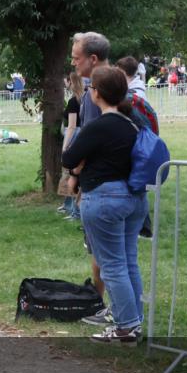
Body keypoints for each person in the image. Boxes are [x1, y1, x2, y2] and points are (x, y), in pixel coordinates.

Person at [62, 66, 146, 345]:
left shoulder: (98, 125)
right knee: (128, 261)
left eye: (91, 88)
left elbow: (69, 157)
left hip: (105, 198)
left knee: (112, 265)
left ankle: (125, 327)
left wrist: (76, 172)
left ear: (96, 93)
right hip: (134, 198)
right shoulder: (132, 122)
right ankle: (134, 321)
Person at [70, 31, 111, 322]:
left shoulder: (97, 92)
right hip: (113, 181)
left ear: (92, 59)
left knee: (101, 250)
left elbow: (91, 140)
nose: (74, 64)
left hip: (98, 183)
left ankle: (98, 304)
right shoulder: (116, 85)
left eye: (76, 59)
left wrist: (75, 174)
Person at [58, 72, 84, 220]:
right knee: (72, 174)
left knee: (70, 173)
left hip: (74, 137)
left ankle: (75, 210)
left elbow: (72, 126)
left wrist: (65, 147)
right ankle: (69, 205)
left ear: (71, 82)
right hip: (81, 135)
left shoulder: (74, 101)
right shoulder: (85, 99)